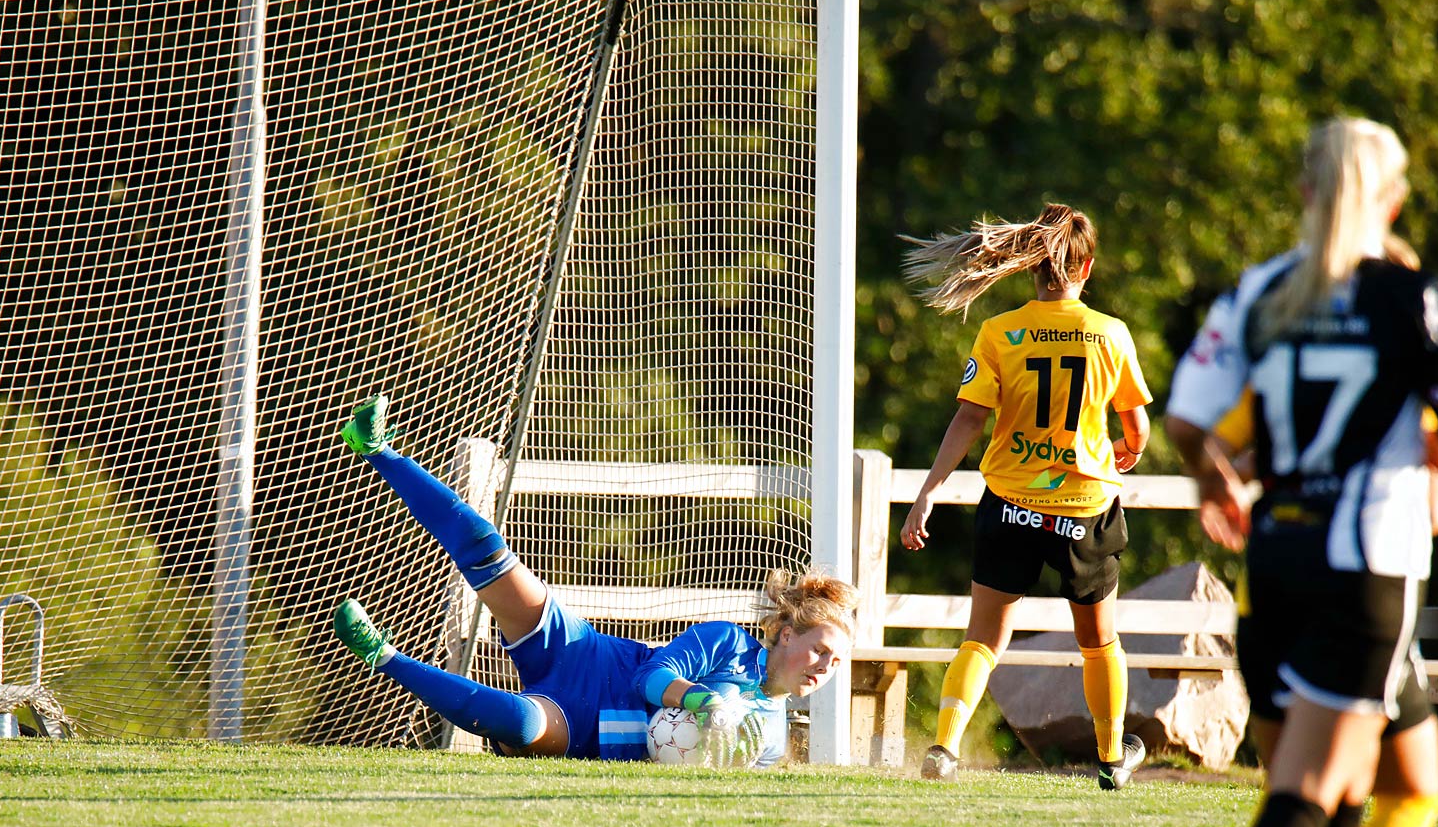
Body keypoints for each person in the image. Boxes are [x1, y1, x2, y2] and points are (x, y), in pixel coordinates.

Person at [1164, 117, 1438, 827]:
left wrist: (1215, 482)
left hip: (1276, 558)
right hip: (1367, 565)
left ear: (1307, 193)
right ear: (1392, 199)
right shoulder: (1415, 295)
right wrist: (1423, 448)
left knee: (1342, 789)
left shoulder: (1262, 288)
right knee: (1310, 784)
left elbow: (1191, 420)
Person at [330, 394, 857, 766]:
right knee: (487, 552)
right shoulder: (728, 643)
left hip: (583, 727)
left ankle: (384, 658)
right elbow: (649, 680)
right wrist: (704, 702)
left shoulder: (768, 736)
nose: (824, 667)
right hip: (587, 656)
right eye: (820, 650)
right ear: (788, 633)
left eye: (835, 663)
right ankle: (378, 449)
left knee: (516, 724)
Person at [1173, 389, 1438, 827]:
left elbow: (1206, 440)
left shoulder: (1284, 341)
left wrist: (1232, 483)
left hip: (1270, 583)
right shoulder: (1397, 342)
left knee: (1295, 781)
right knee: (1405, 790)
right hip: (1362, 587)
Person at [899, 203, 1153, 790]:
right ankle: (1112, 759)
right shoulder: (1110, 334)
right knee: (1098, 641)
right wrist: (1130, 449)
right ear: (1085, 265)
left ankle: (943, 746)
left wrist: (926, 496)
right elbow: (1136, 426)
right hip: (1084, 507)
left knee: (983, 638)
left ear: (1030, 266)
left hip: (1009, 503)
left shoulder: (999, 333)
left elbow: (967, 421)